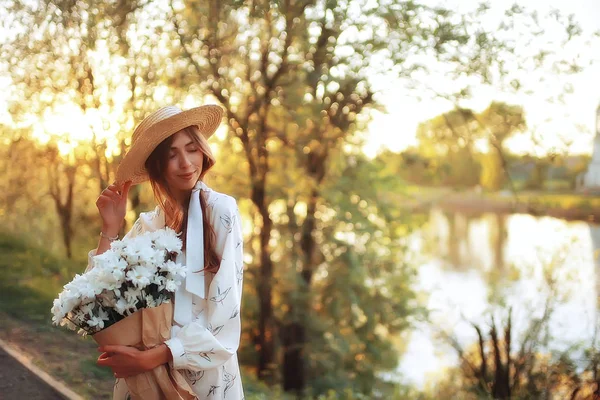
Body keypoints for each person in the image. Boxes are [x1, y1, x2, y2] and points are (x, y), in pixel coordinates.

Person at [86, 105, 245, 399]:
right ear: (157, 166)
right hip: (145, 378)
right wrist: (110, 228)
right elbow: (99, 295)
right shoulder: (148, 224)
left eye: (191, 149)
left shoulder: (221, 211)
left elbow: (225, 316)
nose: (186, 163)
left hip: (200, 373)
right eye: (172, 155)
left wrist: (154, 356)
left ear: (203, 151)